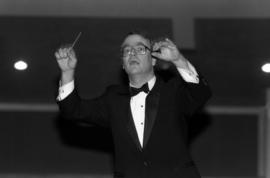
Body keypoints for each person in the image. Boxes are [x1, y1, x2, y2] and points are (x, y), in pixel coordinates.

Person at [55, 31, 211, 178]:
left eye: (140, 49)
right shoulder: (113, 99)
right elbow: (72, 110)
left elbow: (202, 92)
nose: (133, 53)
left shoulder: (173, 91)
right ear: (123, 64)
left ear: (154, 59)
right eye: (127, 51)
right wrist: (67, 72)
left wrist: (178, 59)